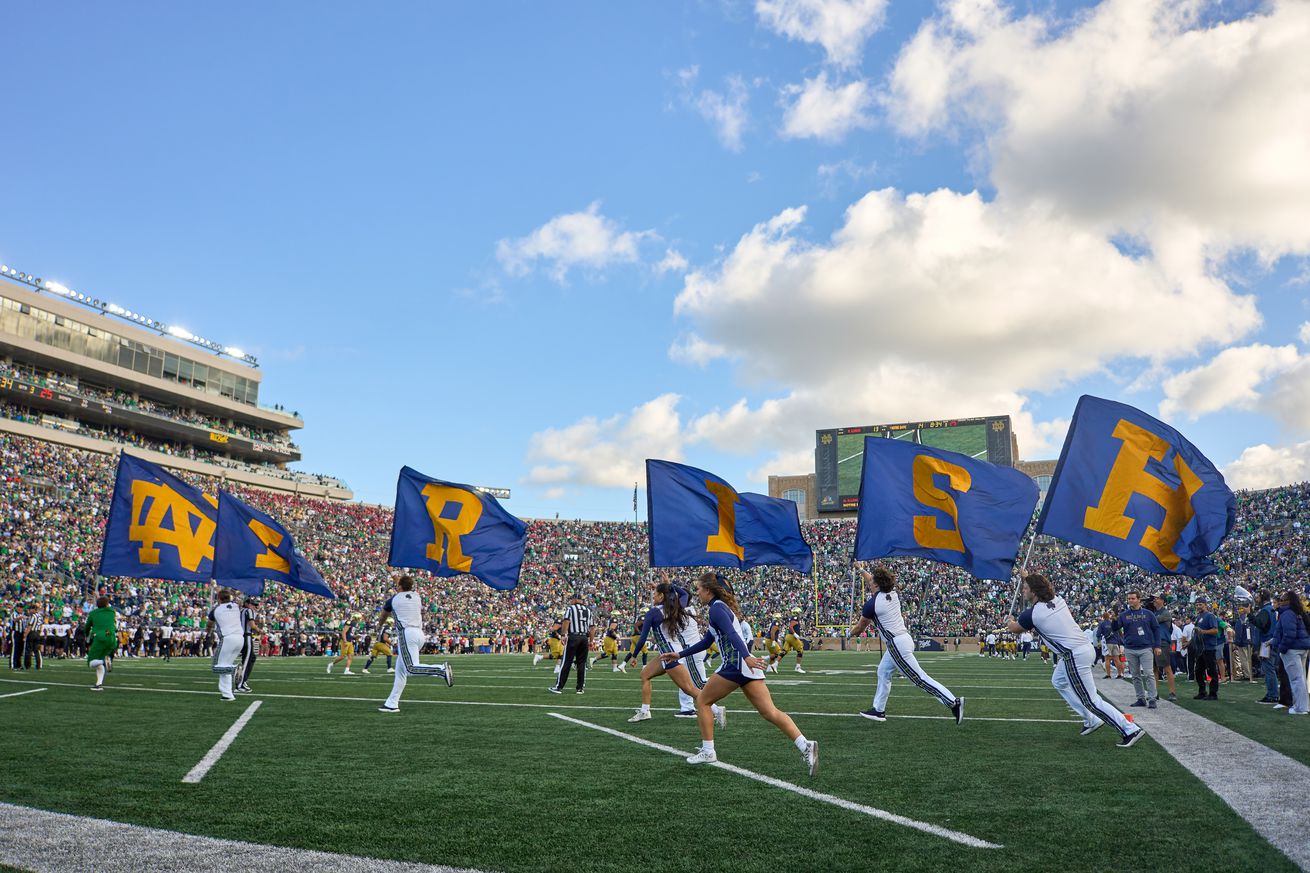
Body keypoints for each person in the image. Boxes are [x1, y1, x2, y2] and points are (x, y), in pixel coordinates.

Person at [662, 572, 818, 775]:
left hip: (735, 664)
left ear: (708, 590)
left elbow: (733, 635)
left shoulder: (717, 610)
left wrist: (745, 656)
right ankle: (805, 745)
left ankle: (708, 751)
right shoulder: (721, 608)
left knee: (702, 702)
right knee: (769, 712)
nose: (697, 592)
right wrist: (680, 654)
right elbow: (707, 642)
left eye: (699, 588)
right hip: (745, 666)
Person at [1007, 573, 1145, 748]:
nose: (1023, 592)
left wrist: (1009, 621)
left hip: (1073, 655)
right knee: (1058, 681)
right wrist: (1026, 577)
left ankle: (1129, 729)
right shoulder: (1058, 599)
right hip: (1082, 649)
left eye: (1025, 589)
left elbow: (1015, 629)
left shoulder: (1032, 614)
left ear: (1034, 591)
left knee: (1091, 700)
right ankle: (1091, 719)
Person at [848, 566, 964, 725]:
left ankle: (953, 702)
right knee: (883, 671)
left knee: (920, 679)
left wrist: (849, 633)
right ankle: (878, 710)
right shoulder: (892, 594)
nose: (869, 581)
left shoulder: (872, 604)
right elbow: (870, 579)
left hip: (896, 644)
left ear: (876, 584)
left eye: (872, 580)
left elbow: (861, 627)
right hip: (903, 639)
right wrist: (861, 570)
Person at [625, 580, 725, 727]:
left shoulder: (653, 613)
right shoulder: (676, 607)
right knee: (645, 674)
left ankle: (716, 710)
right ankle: (645, 711)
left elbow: (643, 637)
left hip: (668, 654)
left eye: (655, 593)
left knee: (689, 689)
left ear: (661, 596)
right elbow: (684, 593)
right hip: (673, 652)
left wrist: (634, 656)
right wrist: (670, 585)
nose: (653, 596)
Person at [376, 576, 452, 713]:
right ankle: (391, 703)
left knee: (411, 669)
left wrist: (379, 625)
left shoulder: (393, 600)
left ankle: (441, 670)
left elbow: (383, 615)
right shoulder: (416, 596)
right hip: (419, 634)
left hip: (407, 634)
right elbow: (403, 583)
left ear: (399, 586)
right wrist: (394, 575)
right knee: (400, 672)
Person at [1115, 591, 1163, 710]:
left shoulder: (1148, 614)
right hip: (1130, 648)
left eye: (1132, 598)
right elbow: (1115, 628)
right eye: (1129, 599)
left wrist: (1157, 645)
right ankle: (1140, 698)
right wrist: (1114, 618)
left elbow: (1156, 629)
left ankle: (1152, 698)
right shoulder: (1124, 615)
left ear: (1139, 600)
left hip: (1145, 647)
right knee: (1135, 675)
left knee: (1148, 673)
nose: (1130, 600)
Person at [1272, 590, 1310, 716]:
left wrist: (1282, 648)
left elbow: (1289, 634)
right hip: (1301, 648)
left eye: (1282, 600)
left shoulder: (1287, 613)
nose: (1279, 602)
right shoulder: (1297, 611)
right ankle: (1303, 705)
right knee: (1300, 678)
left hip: (1292, 649)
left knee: (1296, 679)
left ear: (1288, 601)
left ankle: (1300, 708)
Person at [550, 593, 593, 694]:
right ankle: (580, 688)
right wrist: (591, 640)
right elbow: (593, 627)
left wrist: (564, 634)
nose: (571, 601)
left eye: (572, 599)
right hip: (584, 638)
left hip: (573, 637)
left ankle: (559, 687)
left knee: (566, 662)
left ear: (575, 600)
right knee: (581, 663)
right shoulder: (588, 610)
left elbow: (566, 621)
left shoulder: (571, 608)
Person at [207, 589, 245, 702]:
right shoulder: (236, 606)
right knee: (225, 666)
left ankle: (235, 669)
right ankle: (227, 694)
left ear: (219, 598)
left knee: (217, 666)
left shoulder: (216, 610)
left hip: (228, 638)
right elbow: (240, 598)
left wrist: (207, 633)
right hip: (240, 638)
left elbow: (209, 625)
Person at [84, 596, 117, 691]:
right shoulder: (112, 612)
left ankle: (104, 661)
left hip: (100, 638)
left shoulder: (93, 613)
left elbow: (87, 627)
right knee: (99, 664)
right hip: (111, 638)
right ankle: (99, 684)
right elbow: (105, 606)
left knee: (91, 662)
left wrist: (86, 635)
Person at [1252, 592, 1280, 704]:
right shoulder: (1269, 609)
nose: (1256, 598)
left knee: (1269, 670)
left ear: (1263, 598)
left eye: (1258, 596)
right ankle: (1272, 694)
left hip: (1266, 643)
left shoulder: (1265, 610)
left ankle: (1272, 695)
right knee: (1269, 669)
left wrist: (1250, 615)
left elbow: (1260, 624)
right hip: (1269, 642)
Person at [1192, 601, 1222, 700]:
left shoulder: (1210, 616)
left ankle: (1213, 694)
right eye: (1197, 605)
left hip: (1209, 647)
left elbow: (1215, 630)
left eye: (1200, 604)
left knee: (1211, 671)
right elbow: (1196, 634)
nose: (1198, 606)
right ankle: (1202, 692)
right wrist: (1188, 643)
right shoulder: (1199, 617)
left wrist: (1203, 631)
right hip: (1201, 648)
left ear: (1205, 605)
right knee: (1198, 671)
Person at [1151, 595, 1178, 701]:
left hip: (1162, 642)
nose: (1154, 600)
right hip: (1153, 642)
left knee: (1167, 667)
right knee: (1154, 669)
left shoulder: (1165, 613)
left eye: (1157, 598)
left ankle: (1172, 692)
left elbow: (1153, 621)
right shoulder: (1154, 612)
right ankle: (1155, 692)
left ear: (1162, 600)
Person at [237, 598, 260, 694]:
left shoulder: (240, 611)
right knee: (247, 660)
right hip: (246, 636)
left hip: (240, 636)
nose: (254, 606)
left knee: (251, 658)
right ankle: (240, 684)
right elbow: (252, 625)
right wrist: (260, 630)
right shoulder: (248, 611)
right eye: (252, 604)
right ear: (246, 604)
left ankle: (244, 678)